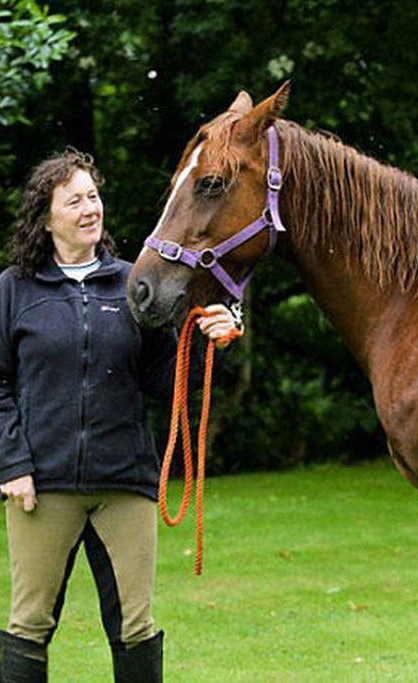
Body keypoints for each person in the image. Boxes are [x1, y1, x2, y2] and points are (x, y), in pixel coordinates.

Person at [0, 148, 239, 682]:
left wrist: (207, 345)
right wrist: (12, 463)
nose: (90, 208)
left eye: (93, 196)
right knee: (28, 625)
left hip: (125, 485)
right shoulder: (14, 289)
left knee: (135, 628)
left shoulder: (134, 284)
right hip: (43, 486)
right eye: (74, 200)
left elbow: (165, 382)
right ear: (46, 217)